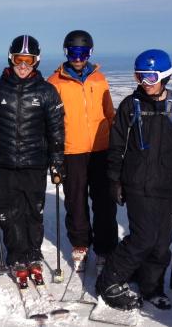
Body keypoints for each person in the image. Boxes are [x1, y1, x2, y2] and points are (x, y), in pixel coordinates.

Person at [96, 49, 172, 310]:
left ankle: (151, 286)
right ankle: (109, 281)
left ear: (164, 76)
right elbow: (116, 146)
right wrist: (114, 180)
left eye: (150, 77)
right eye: (140, 76)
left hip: (166, 186)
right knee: (142, 238)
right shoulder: (131, 106)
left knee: (161, 243)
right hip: (136, 184)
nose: (145, 83)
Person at [0, 35, 65, 284]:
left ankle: (33, 254)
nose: (23, 65)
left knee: (34, 211)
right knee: (10, 213)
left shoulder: (46, 91)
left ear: (36, 61)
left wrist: (57, 161)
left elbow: (56, 130)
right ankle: (16, 256)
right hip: (6, 162)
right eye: (19, 59)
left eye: (28, 60)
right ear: (11, 58)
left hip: (35, 162)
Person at [47, 30, 116, 268]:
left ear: (90, 53)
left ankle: (106, 248)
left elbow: (109, 113)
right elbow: (50, 121)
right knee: (75, 202)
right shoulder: (55, 82)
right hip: (72, 150)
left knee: (104, 201)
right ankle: (80, 244)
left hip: (101, 148)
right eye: (73, 53)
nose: (78, 58)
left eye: (83, 53)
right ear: (66, 53)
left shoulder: (99, 79)